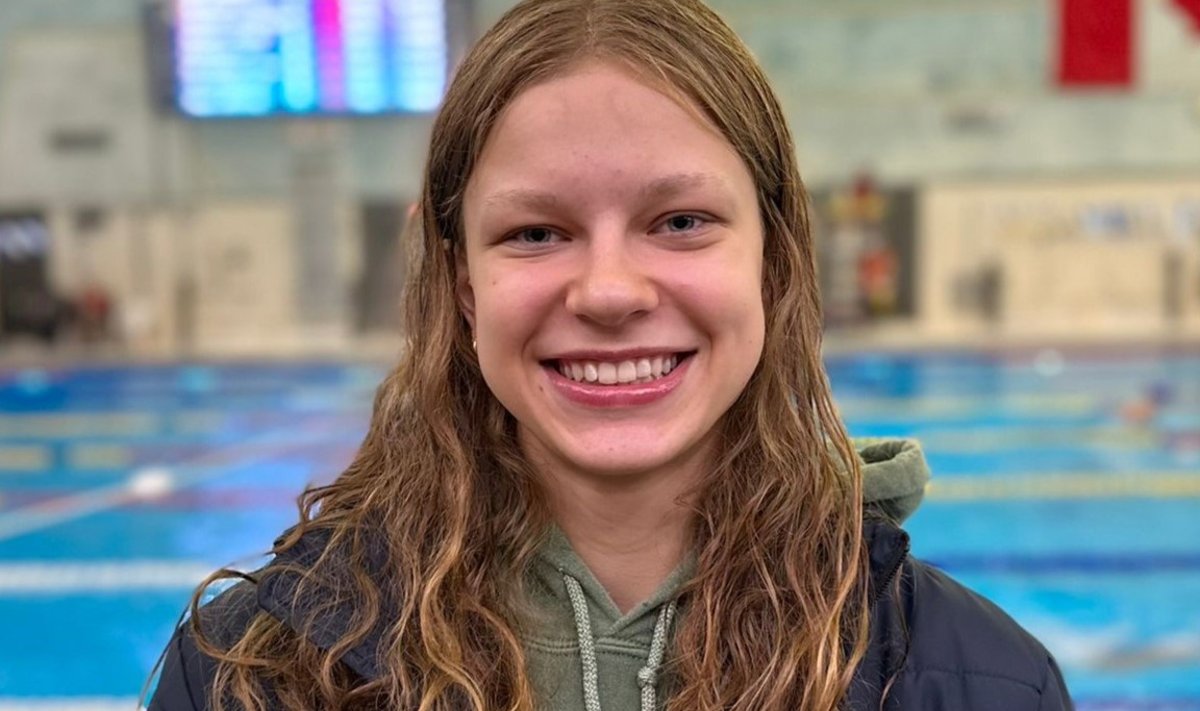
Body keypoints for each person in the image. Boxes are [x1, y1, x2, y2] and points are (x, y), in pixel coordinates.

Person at [146, 0, 1073, 708]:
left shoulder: (980, 681)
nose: (609, 291)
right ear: (462, 284)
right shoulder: (254, 669)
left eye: (680, 221)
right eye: (536, 232)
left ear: (773, 261)